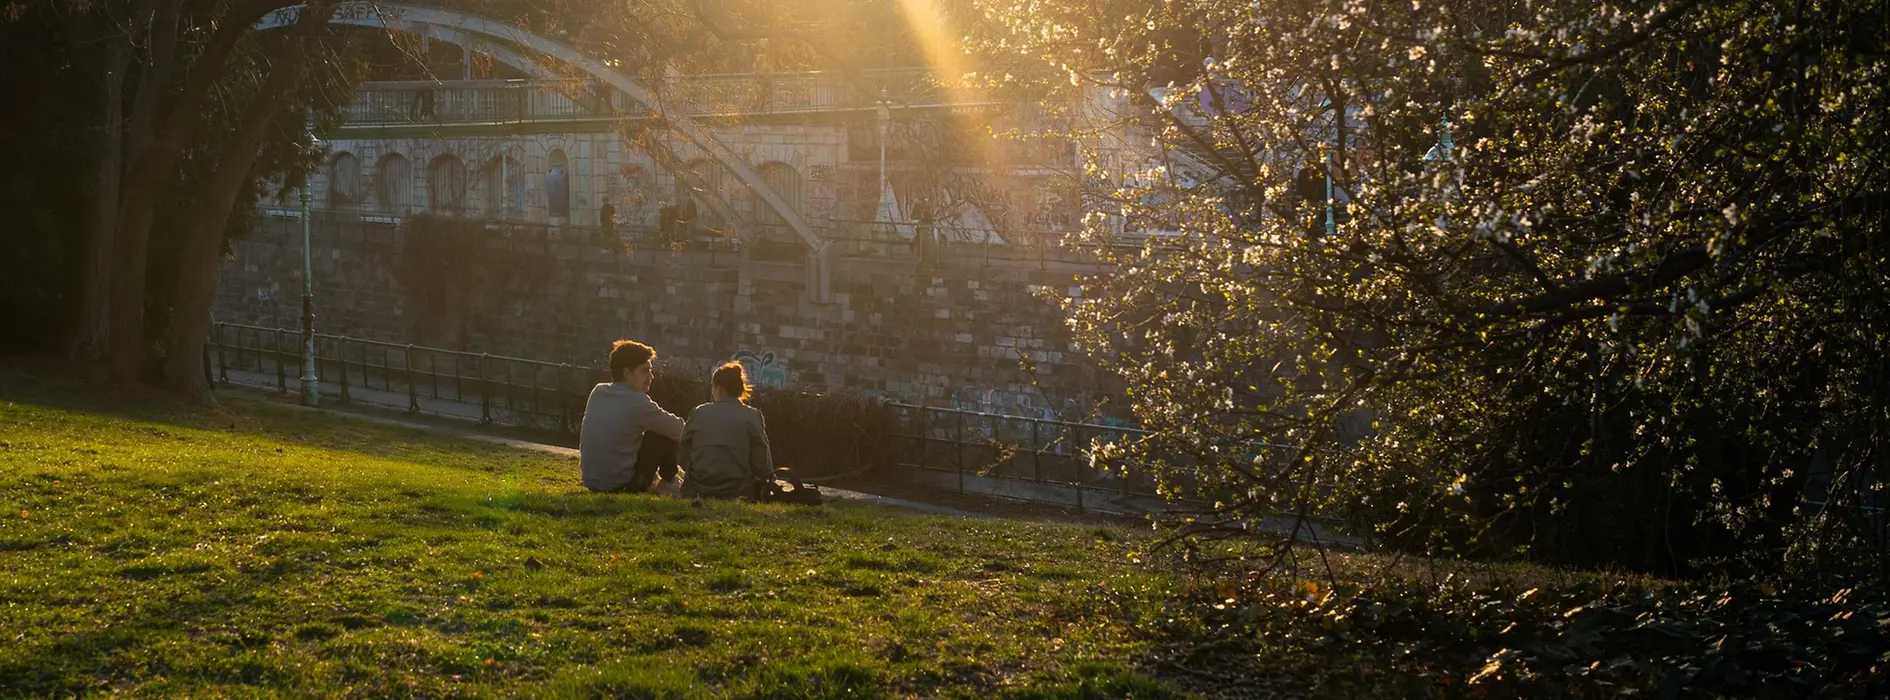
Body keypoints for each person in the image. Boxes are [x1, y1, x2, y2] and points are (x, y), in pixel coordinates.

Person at [579, 340, 685, 493]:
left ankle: (664, 480)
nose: (651, 377)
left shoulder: (598, 392)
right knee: (661, 433)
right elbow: (678, 430)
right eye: (645, 371)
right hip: (621, 485)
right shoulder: (637, 401)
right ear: (627, 373)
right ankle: (669, 482)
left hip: (592, 481)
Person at [679, 362, 775, 499]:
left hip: (699, 485)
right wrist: (769, 478)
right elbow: (761, 459)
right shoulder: (752, 416)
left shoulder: (699, 412)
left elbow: (683, 451)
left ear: (718, 388)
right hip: (737, 488)